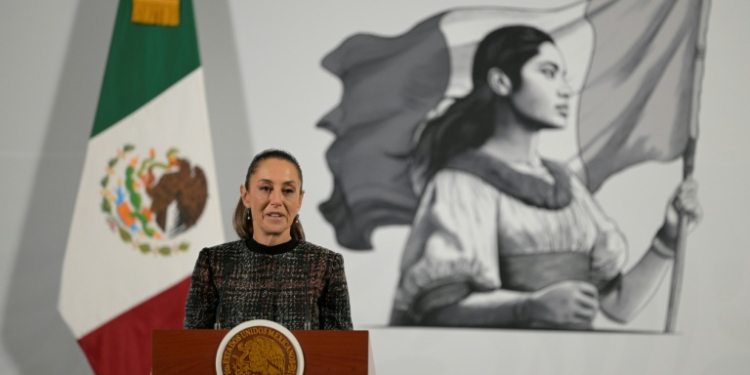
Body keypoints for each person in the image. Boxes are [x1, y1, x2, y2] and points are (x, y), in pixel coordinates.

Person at [389, 26, 702, 329]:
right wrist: (530, 307)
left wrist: (669, 237)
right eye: (549, 73)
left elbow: (618, 306)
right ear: (501, 81)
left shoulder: (567, 185)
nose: (566, 89)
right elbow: (439, 309)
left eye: (563, 76)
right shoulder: (461, 184)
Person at [184, 149, 353, 330]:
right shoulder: (213, 262)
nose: (276, 200)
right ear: (246, 196)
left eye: (288, 190)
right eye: (265, 188)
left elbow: (341, 351)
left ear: (299, 200)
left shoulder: (326, 265)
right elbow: (192, 347)